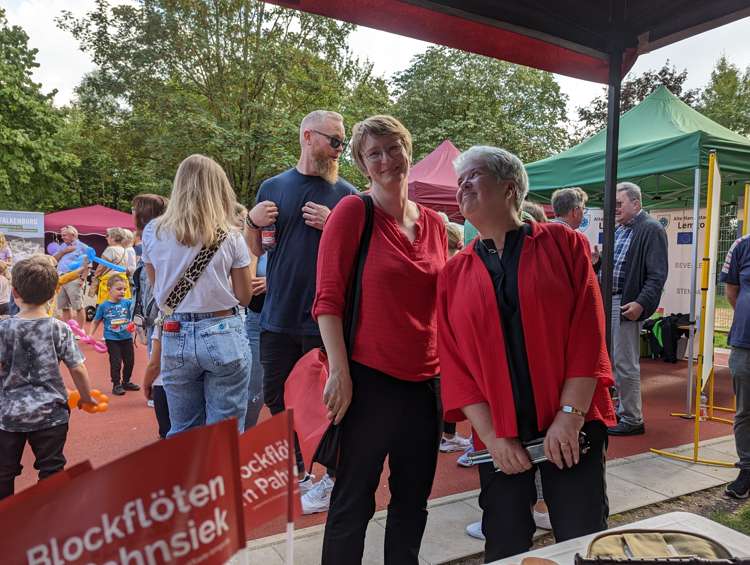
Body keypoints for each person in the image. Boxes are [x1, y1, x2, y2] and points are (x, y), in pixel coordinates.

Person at [438, 146, 616, 561]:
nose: (462, 186)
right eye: (459, 180)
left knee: (581, 535)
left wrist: (569, 419)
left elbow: (588, 334)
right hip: (499, 435)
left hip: (570, 427)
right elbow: (454, 363)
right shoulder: (454, 272)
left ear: (510, 187)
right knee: (504, 542)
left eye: (474, 176)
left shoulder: (563, 244)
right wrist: (495, 438)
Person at [315, 115, 447, 564]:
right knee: (354, 501)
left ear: (409, 149)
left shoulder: (433, 223)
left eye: (394, 148)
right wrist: (340, 372)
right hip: (368, 380)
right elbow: (327, 300)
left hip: (426, 382)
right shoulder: (354, 212)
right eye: (375, 153)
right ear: (362, 164)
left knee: (413, 502)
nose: (387, 159)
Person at [244, 109, 357, 510]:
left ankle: (330, 478)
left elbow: (360, 259)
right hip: (276, 315)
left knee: (327, 401)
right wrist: (251, 222)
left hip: (323, 318)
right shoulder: (273, 186)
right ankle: (300, 468)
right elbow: (256, 250)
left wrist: (335, 226)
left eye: (341, 142)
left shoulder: (347, 195)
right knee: (277, 395)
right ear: (308, 137)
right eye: (335, 140)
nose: (340, 149)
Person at [143, 154, 253, 435]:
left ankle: (189, 480)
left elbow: (160, 295)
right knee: (224, 433)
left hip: (174, 331)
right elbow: (244, 297)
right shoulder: (231, 235)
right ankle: (221, 479)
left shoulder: (153, 232)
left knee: (183, 429)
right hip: (222, 331)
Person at [0, 256, 96, 499]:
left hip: (9, 414)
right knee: (52, 469)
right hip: (51, 414)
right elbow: (77, 368)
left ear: (14, 293)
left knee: (4, 472)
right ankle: (50, 520)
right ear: (55, 292)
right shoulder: (59, 328)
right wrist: (86, 398)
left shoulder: (3, 329)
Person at [607, 182, 668, 436]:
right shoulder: (621, 228)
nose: (615, 208)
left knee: (625, 363)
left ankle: (632, 419)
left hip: (626, 303)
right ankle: (620, 411)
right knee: (612, 361)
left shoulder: (651, 229)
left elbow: (657, 275)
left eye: (619, 204)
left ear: (636, 203)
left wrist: (641, 304)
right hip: (612, 301)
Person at [131, 193, 169, 431]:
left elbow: (153, 288)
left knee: (160, 367)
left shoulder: (152, 240)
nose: (131, 214)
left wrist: (149, 320)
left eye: (134, 209)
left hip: (159, 316)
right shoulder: (156, 239)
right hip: (154, 315)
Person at [719, 234, 750, 498]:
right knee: (744, 412)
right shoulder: (742, 245)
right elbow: (732, 292)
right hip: (744, 342)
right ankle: (747, 471)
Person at [90, 275, 137, 396]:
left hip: (126, 338)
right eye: (119, 289)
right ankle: (116, 384)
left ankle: (126, 381)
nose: (122, 292)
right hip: (112, 339)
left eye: (124, 289)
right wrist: (90, 335)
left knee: (130, 361)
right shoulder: (103, 306)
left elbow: (135, 314)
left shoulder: (127, 303)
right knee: (116, 362)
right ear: (109, 288)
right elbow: (95, 321)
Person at [52, 225, 89, 328]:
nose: (62, 237)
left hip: (74, 279)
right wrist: (63, 251)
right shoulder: (63, 246)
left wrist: (82, 279)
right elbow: (54, 259)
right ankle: (68, 329)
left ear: (73, 235)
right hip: (61, 279)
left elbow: (88, 264)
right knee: (64, 306)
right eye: (61, 235)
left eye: (64, 235)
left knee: (78, 306)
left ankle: (81, 330)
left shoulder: (83, 247)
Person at [93, 227, 131, 304]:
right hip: (122, 279)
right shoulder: (124, 250)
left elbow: (102, 266)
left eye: (108, 236)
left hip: (110, 280)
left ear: (113, 238)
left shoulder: (111, 249)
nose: (106, 238)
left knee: (106, 305)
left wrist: (95, 275)